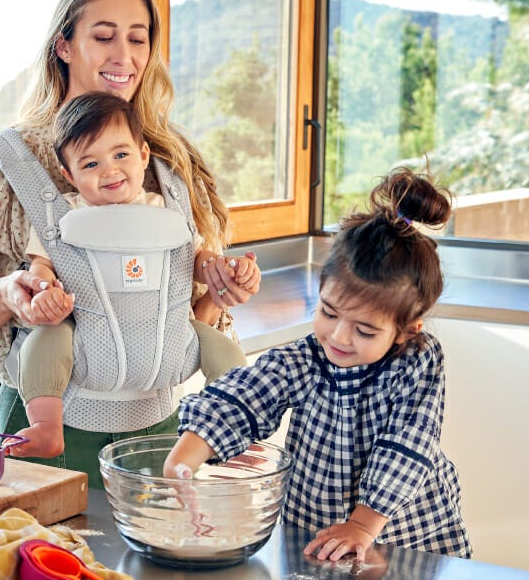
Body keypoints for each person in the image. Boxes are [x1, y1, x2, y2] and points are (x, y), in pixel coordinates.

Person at [0, 0, 261, 489]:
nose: (123, 55)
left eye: (137, 38)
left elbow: (188, 317)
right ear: (63, 45)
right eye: (103, 36)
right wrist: (10, 294)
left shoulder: (169, 161)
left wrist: (220, 290)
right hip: (47, 435)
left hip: (157, 433)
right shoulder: (6, 163)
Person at [162, 166, 472, 561]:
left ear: (406, 331)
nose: (339, 337)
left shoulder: (417, 361)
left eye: (363, 330)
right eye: (328, 312)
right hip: (317, 527)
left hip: (405, 535)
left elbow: (406, 446)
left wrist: (362, 526)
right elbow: (243, 397)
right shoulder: (306, 358)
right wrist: (182, 462)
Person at [10, 91, 258, 458]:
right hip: (84, 345)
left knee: (225, 351)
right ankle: (47, 426)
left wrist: (224, 269)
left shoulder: (169, 210)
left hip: (170, 341)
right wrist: (45, 291)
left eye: (121, 155)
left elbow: (198, 259)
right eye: (90, 164)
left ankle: (236, 430)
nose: (109, 170)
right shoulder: (61, 218)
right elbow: (40, 266)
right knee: (43, 342)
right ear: (68, 175)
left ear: (143, 155)